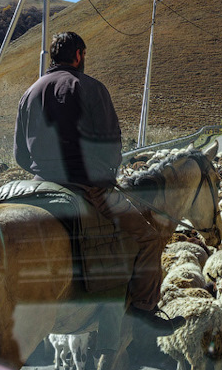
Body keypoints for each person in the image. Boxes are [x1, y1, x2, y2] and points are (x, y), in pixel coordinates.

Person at [14, 31, 178, 334]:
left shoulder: (30, 92)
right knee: (149, 237)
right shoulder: (89, 87)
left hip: (38, 185)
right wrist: (106, 176)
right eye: (83, 55)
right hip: (85, 186)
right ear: (79, 55)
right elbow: (109, 145)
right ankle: (143, 309)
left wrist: (43, 172)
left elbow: (20, 156)